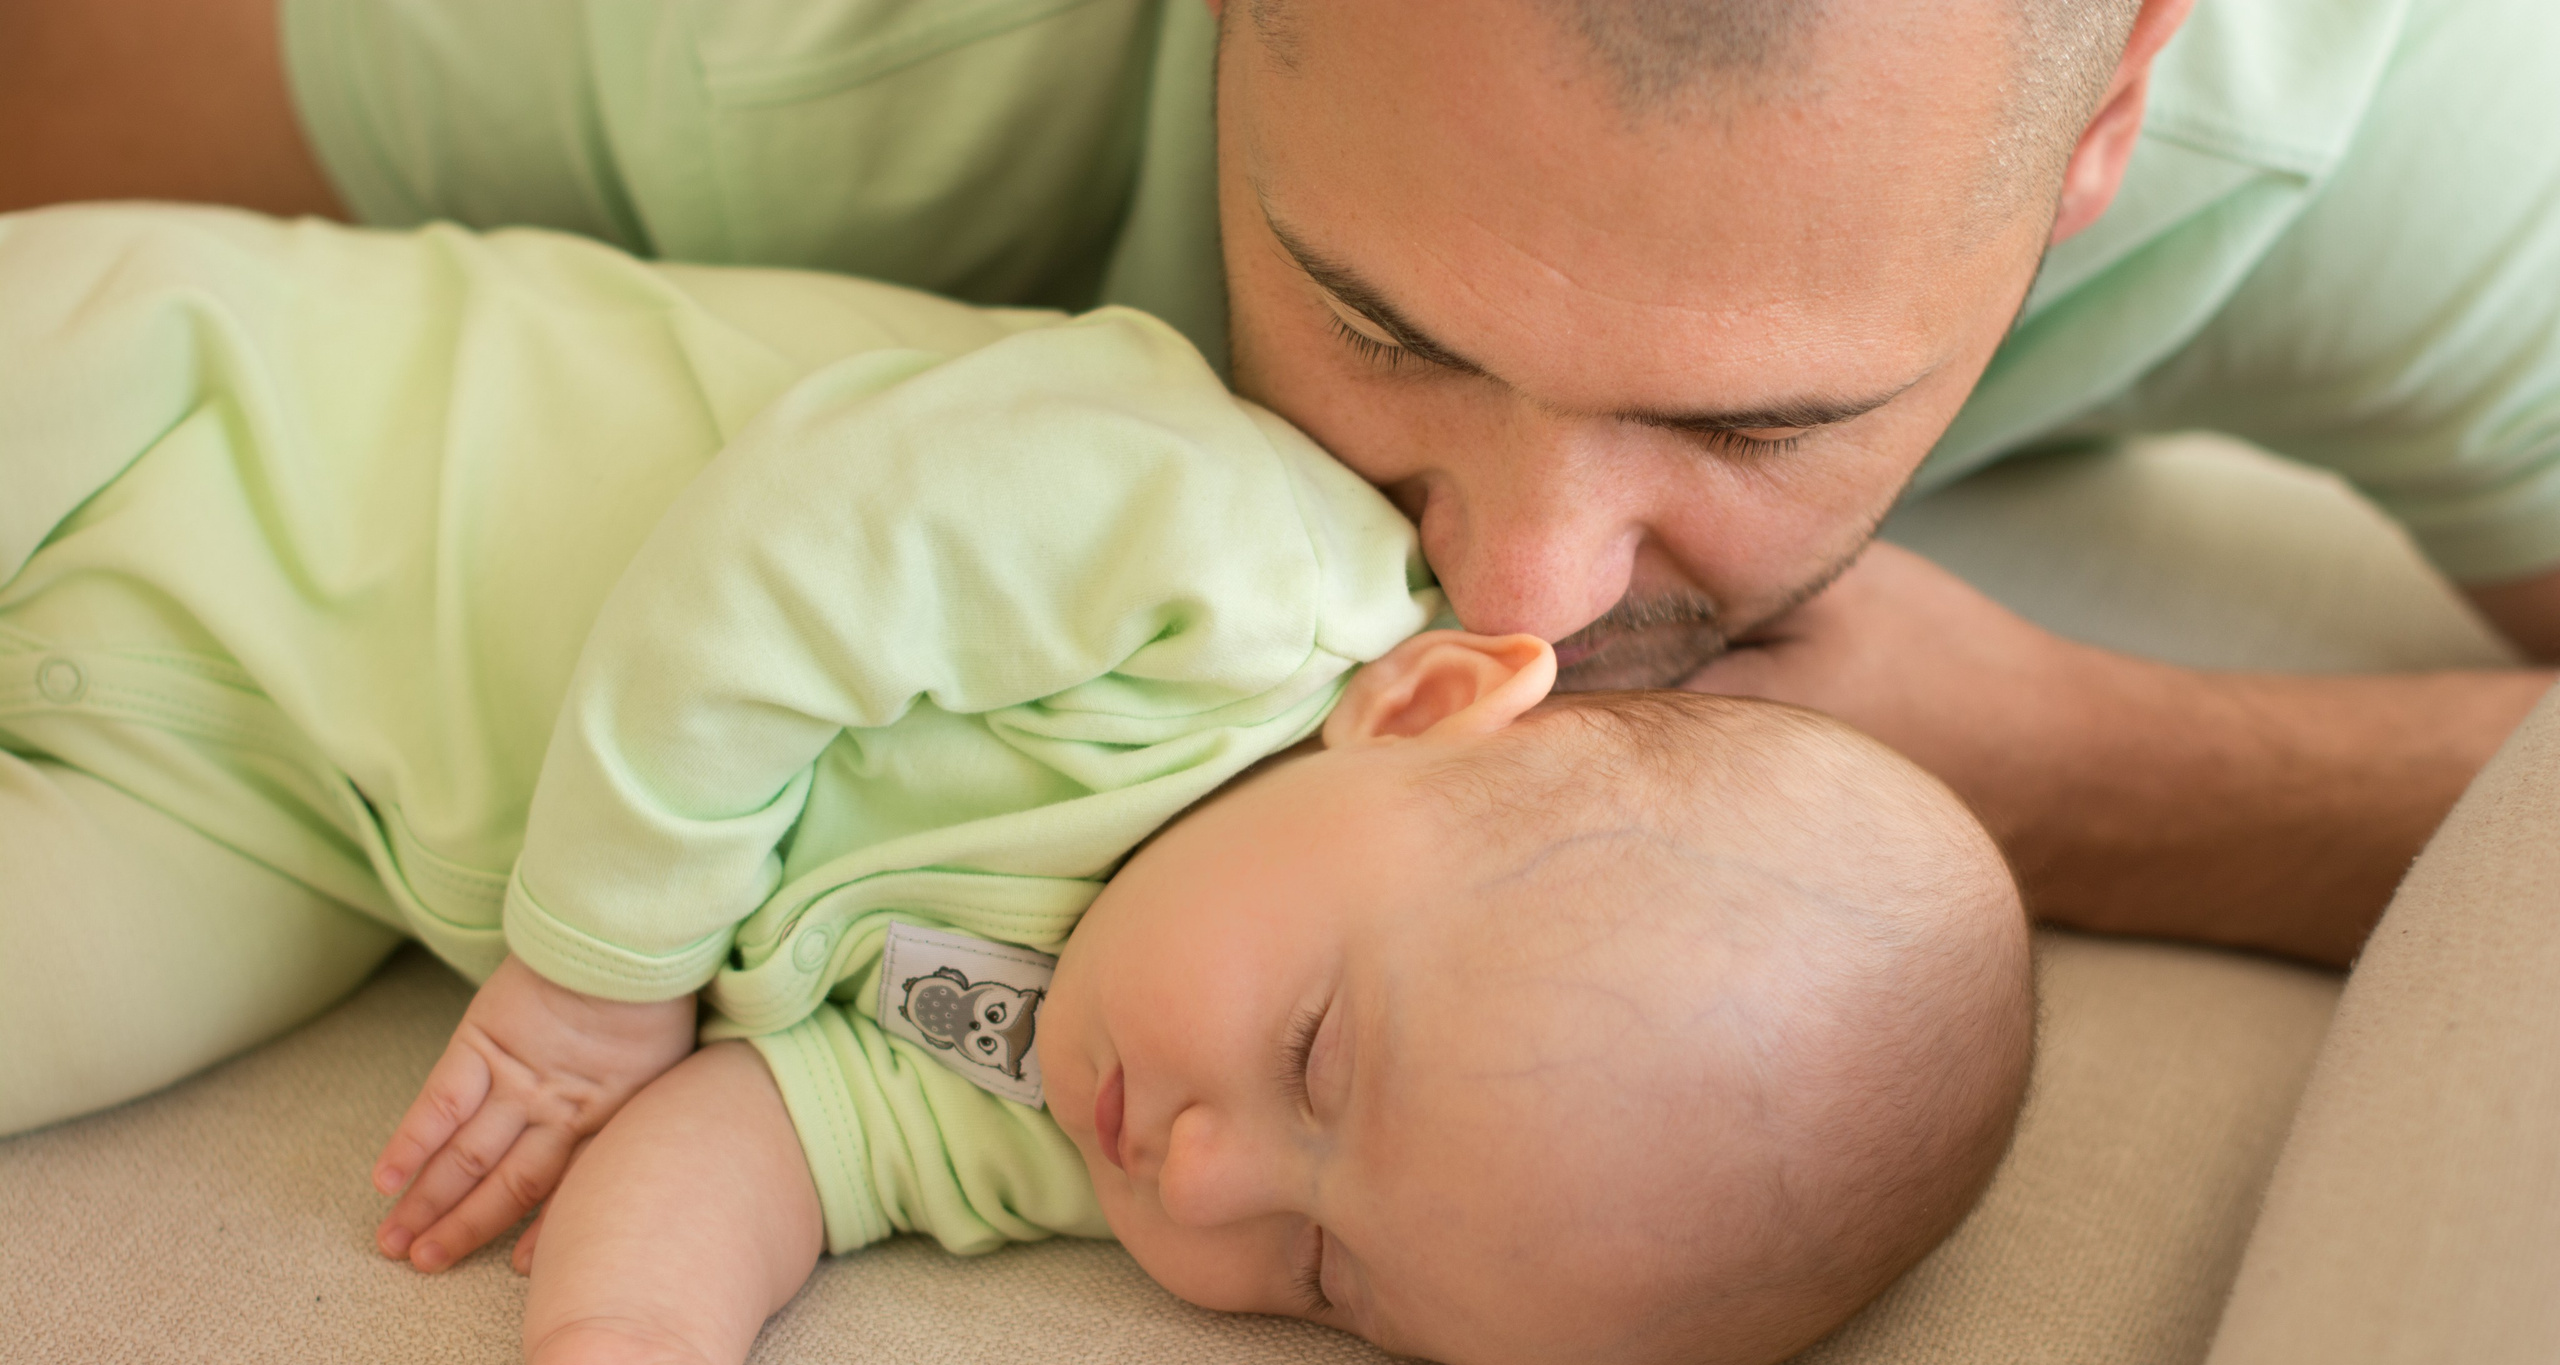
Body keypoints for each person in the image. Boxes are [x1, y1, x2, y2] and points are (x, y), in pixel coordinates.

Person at [0, 205, 2034, 1365]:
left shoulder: (1090, 1113)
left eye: (1325, 1276)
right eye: (1316, 1052)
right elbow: (774, 569)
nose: (1208, 1177)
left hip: (278, 800)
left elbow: (783, 1130)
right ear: (1418, 712)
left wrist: (637, 1346)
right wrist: (598, 981)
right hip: (227, 409)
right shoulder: (1223, 568)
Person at [5, 0, 2553, 968]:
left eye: (1753, 427)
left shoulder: (2396, 128)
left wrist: (2085, 774)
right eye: (1383, 323)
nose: (1519, 582)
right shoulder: (773, 37)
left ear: (2112, 109)